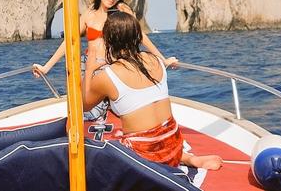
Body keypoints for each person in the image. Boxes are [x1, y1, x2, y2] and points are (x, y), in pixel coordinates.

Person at [82, 11, 222, 170]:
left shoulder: (108, 76)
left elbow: (85, 105)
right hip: (174, 145)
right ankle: (188, 158)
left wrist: (89, 70)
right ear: (137, 36)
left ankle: (180, 160)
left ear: (108, 39)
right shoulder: (155, 60)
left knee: (97, 155)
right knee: (156, 136)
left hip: (144, 158)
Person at [32, 0, 177, 79]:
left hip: (113, 66)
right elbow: (70, 41)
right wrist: (46, 67)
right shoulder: (89, 15)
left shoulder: (120, 16)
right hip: (90, 67)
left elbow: (140, 36)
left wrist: (163, 60)